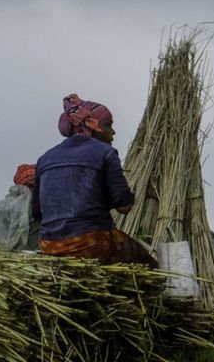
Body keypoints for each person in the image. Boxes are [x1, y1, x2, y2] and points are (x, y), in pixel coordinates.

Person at [32, 94, 157, 266]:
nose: (113, 132)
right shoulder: (105, 153)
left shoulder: (44, 159)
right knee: (147, 262)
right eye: (108, 125)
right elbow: (124, 207)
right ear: (94, 127)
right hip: (90, 244)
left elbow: (37, 213)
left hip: (49, 246)